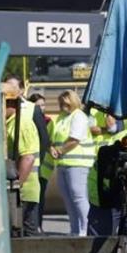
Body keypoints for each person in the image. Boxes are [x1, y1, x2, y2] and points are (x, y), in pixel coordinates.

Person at [5, 75, 48, 234]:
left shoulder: (22, 122)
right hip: (21, 188)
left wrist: (15, 187)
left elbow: (29, 156)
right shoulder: (9, 122)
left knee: (26, 235)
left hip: (24, 189)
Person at [50, 90, 97, 235]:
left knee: (78, 197)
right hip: (63, 163)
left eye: (65, 103)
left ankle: (85, 230)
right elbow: (54, 137)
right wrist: (52, 148)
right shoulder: (62, 117)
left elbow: (74, 139)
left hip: (78, 163)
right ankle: (75, 230)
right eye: (60, 103)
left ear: (72, 102)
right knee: (68, 199)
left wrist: (59, 151)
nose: (62, 106)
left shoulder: (79, 116)